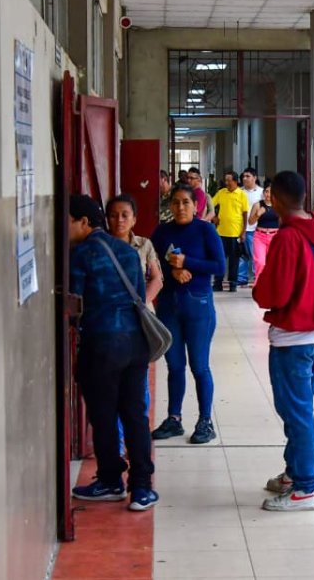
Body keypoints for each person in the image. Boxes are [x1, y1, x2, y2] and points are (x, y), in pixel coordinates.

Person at [253, 171, 314, 512]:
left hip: (294, 338)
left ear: (274, 198)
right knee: (298, 409)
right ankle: (293, 473)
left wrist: (259, 291)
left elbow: (273, 292)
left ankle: (305, 487)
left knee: (297, 412)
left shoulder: (287, 239)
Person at [67, 195, 159, 511]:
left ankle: (110, 480)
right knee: (135, 414)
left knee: (104, 414)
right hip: (136, 344)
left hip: (103, 344)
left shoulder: (80, 255)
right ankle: (143, 488)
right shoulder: (127, 252)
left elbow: (73, 303)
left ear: (82, 222)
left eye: (68, 222)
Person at [150, 184, 226, 445]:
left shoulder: (205, 230)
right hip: (169, 306)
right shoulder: (161, 232)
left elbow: (219, 266)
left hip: (198, 306)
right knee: (174, 366)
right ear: (169, 206)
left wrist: (188, 263)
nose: (180, 207)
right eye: (176, 202)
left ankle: (205, 421)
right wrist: (172, 272)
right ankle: (174, 419)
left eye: (186, 202)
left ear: (196, 206)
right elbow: (154, 264)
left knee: (199, 366)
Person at [106, 194, 164, 454]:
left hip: (140, 320)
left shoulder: (144, 245)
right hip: (111, 323)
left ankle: (137, 440)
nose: (119, 220)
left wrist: (139, 305)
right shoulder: (100, 246)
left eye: (125, 215)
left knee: (138, 382)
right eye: (114, 215)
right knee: (112, 384)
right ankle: (116, 442)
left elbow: (157, 278)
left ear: (134, 219)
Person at [210, 170, 249, 292]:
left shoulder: (242, 194)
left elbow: (245, 214)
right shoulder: (221, 192)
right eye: (225, 180)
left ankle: (232, 284)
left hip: (235, 233)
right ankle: (218, 283)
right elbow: (209, 204)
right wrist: (213, 217)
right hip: (221, 232)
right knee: (219, 258)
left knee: (234, 260)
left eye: (229, 180)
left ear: (235, 181)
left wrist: (243, 231)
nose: (226, 182)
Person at [248, 182, 281, 279]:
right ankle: (259, 288)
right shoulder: (258, 205)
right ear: (263, 192)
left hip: (274, 236)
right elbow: (250, 222)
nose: (268, 194)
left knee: (274, 263)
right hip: (260, 236)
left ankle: (273, 288)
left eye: (271, 192)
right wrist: (258, 214)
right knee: (260, 263)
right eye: (266, 191)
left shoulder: (279, 206)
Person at [240, 168, 265, 286]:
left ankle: (258, 276)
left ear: (254, 178)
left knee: (255, 255)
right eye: (243, 176)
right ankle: (241, 277)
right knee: (241, 254)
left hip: (255, 228)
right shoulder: (239, 192)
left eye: (247, 176)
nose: (244, 178)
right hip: (240, 228)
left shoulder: (262, 193)